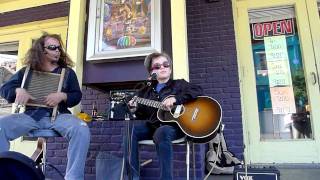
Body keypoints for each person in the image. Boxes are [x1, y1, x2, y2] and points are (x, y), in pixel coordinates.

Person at [0, 33, 90, 180]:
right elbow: (4, 89)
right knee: (0, 125)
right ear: (41, 50)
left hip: (59, 116)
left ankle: (73, 177)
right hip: (31, 116)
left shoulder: (67, 73)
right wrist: (17, 90)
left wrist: (62, 96)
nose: (57, 51)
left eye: (59, 48)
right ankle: (3, 172)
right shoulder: (26, 71)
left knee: (81, 128)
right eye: (53, 47)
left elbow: (76, 96)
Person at [129, 52, 203, 180]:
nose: (162, 68)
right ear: (151, 72)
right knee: (131, 130)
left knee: (162, 132)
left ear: (170, 68)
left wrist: (176, 98)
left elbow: (198, 90)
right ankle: (133, 177)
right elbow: (142, 114)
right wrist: (134, 109)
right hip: (153, 125)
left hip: (175, 127)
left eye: (165, 64)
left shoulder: (179, 84)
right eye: (157, 66)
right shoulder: (144, 92)